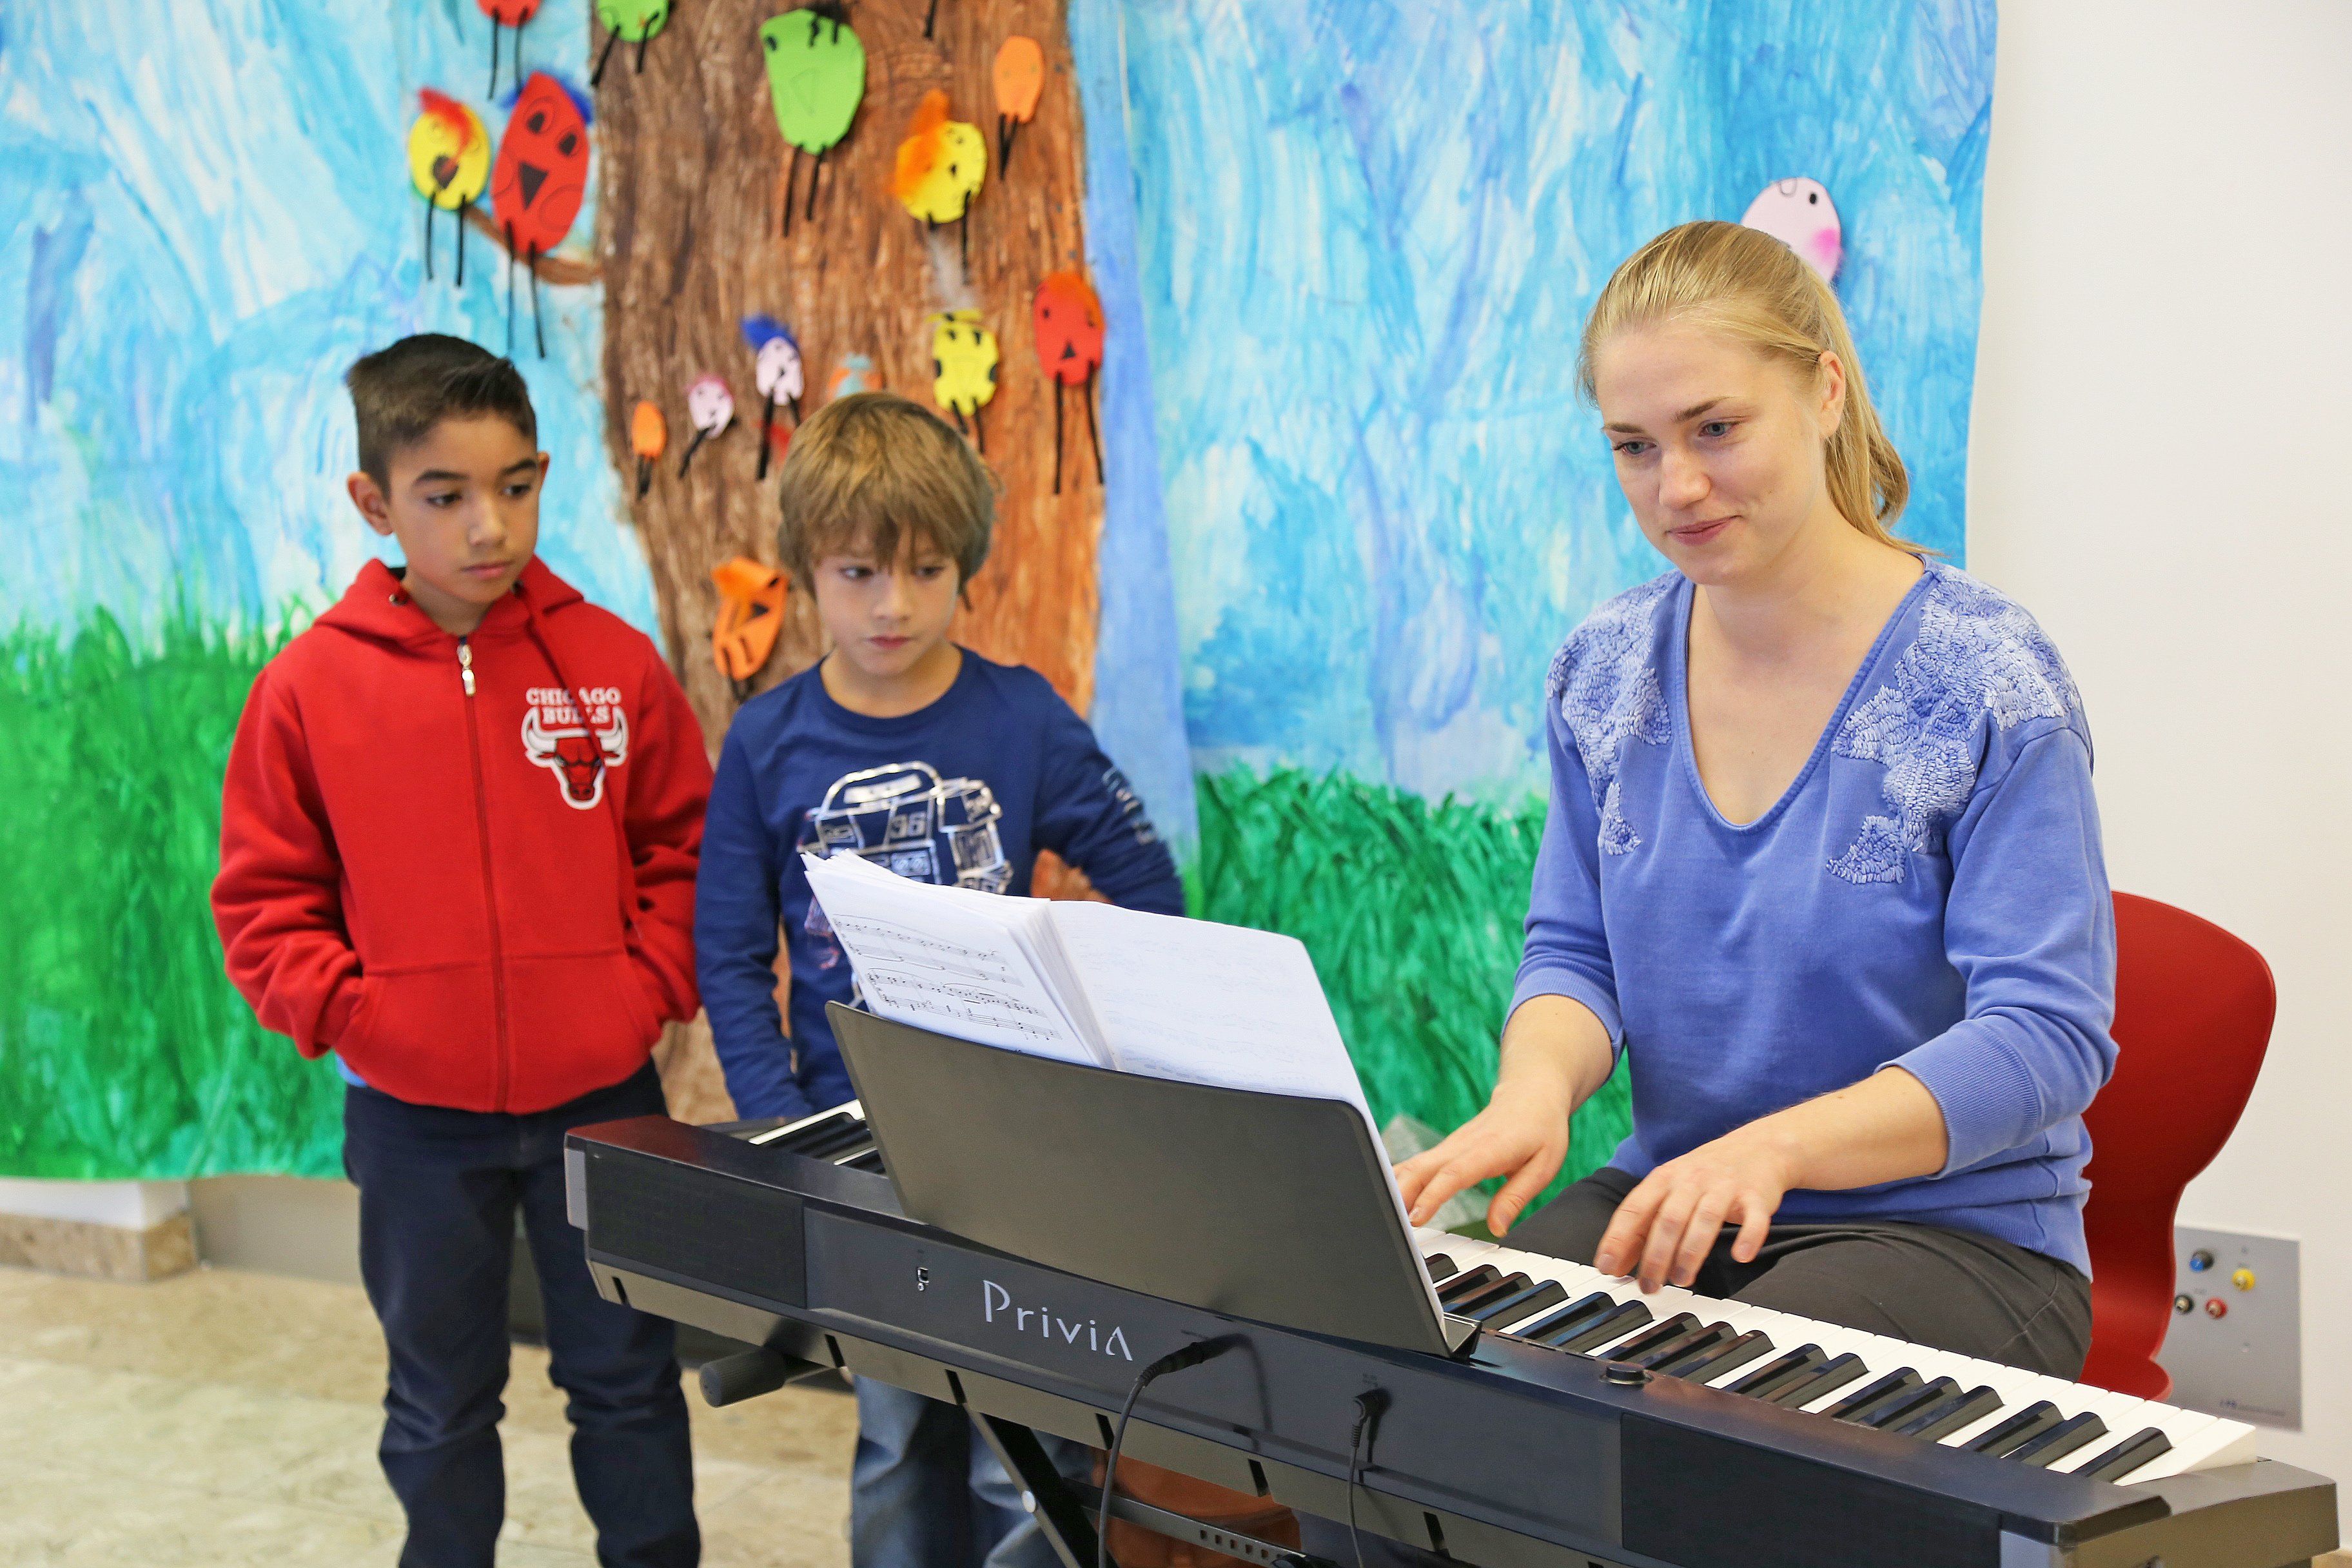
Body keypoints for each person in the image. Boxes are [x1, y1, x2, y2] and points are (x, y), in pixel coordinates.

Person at [1400, 219, 2115, 1370]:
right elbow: (1576, 953)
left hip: (1952, 1237)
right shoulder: (1604, 669)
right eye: (1634, 447)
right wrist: (1534, 1093)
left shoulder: (1989, 680)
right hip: (1685, 1197)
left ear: (1824, 393)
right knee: (1443, 1379)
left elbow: (2045, 1036)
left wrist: (1773, 1151)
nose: (1677, 486)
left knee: (1701, 1420)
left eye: (1716, 429)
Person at [213, 334, 711, 1568]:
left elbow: (686, 849)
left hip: (604, 1100)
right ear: (375, 502)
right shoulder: (307, 689)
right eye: (445, 496)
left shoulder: (610, 664)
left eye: (516, 486)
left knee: (629, 1382)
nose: (490, 526)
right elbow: (265, 903)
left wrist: (639, 993)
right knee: (439, 1399)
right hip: (413, 1120)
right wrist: (361, 1017)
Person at [696, 391, 1185, 1568]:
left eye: (925, 571)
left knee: (1030, 1452)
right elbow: (727, 953)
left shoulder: (1020, 719)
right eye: (859, 572)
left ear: (965, 565)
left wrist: (1083, 1052)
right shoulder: (766, 741)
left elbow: (1151, 893)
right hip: (859, 1150)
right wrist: (783, 1127)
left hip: (1024, 1152)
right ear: (807, 568)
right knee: (898, 1433)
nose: (893, 606)